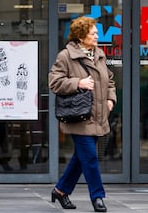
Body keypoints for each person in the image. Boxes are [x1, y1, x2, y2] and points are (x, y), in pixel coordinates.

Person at [48, 16, 116, 212]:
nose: (96, 35)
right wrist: (78, 82)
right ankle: (98, 196)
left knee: (81, 157)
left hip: (98, 115)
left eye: (96, 32)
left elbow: (109, 80)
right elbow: (54, 82)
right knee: (91, 158)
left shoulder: (99, 54)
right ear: (81, 35)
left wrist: (111, 99)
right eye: (93, 32)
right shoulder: (65, 56)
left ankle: (60, 191)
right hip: (79, 116)